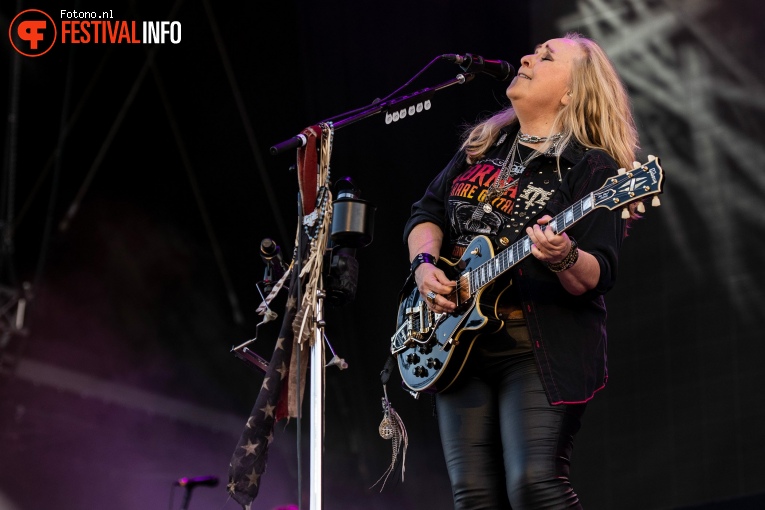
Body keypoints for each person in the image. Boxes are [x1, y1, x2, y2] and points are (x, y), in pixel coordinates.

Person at [403, 33, 639, 509]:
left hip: (535, 347)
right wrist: (425, 267)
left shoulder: (594, 168)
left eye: (547, 57)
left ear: (573, 91)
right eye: (534, 52)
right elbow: (424, 214)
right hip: (454, 344)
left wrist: (564, 256)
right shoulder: (481, 147)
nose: (527, 58)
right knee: (474, 497)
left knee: (534, 485)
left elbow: (598, 272)